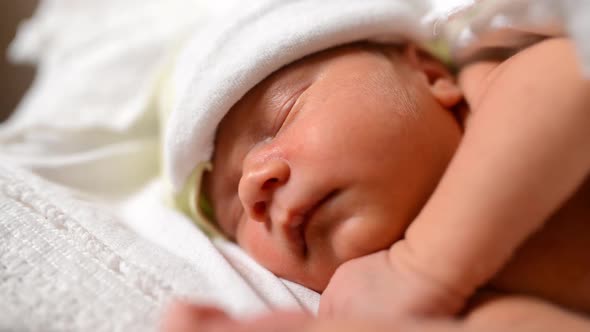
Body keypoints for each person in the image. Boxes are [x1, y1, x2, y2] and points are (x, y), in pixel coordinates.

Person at [159, 0, 590, 330]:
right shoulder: (458, 303)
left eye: (282, 115)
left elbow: (571, 80)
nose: (254, 186)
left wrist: (422, 267)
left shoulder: (492, 81)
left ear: (429, 73)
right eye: (237, 216)